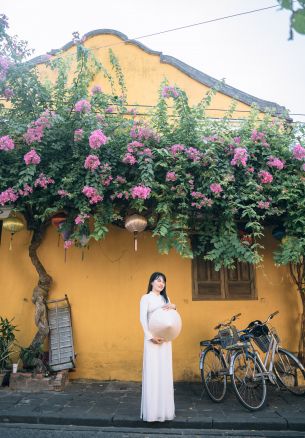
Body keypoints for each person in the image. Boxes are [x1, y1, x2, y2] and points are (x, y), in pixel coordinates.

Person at [140, 272, 177, 422]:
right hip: (152, 341)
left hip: (165, 341)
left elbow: (171, 319)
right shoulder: (146, 298)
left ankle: (165, 411)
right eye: (158, 280)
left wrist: (174, 306)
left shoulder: (165, 298)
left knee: (164, 373)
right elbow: (142, 320)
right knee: (153, 373)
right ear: (151, 283)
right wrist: (151, 337)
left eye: (163, 281)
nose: (161, 283)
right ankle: (152, 413)